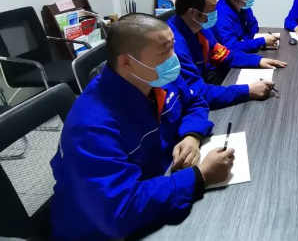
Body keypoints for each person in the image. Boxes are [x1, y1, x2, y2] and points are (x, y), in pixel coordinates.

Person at [50, 14, 235, 241]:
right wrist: (201, 176)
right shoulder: (91, 127)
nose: (174, 57)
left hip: (159, 180)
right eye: (164, 51)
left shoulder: (155, 76)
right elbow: (119, 211)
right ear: (127, 62)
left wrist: (192, 135)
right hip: (102, 230)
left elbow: (195, 101)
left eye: (173, 47)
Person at [168, 0, 286, 109]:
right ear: (193, 13)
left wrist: (258, 60)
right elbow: (197, 93)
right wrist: (247, 90)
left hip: (204, 81)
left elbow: (223, 54)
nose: (215, 14)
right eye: (211, 11)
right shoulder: (173, 47)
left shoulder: (200, 28)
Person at [214, 0, 279, 52]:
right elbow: (230, 48)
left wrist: (245, 41)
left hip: (242, 48)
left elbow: (253, 25)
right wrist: (261, 41)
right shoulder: (222, 16)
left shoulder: (242, 5)